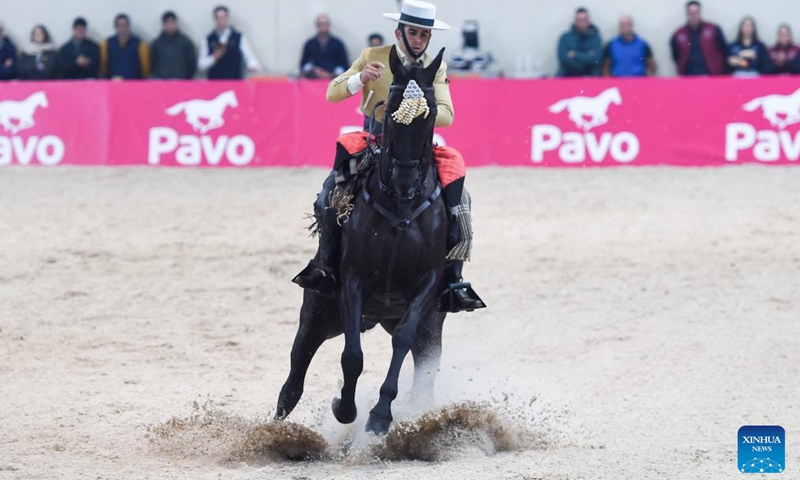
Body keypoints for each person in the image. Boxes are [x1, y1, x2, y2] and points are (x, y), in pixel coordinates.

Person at [292, 0, 484, 312]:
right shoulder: (373, 57)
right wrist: (359, 79)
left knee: (461, 199)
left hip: (417, 145)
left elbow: (447, 115)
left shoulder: (437, 66)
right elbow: (332, 93)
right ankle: (325, 265)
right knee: (329, 192)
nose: (419, 39)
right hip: (375, 138)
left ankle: (453, 280)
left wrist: (418, 109)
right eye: (414, 32)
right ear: (399, 32)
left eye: (424, 34)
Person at [198, 5, 261, 79]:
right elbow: (201, 65)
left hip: (234, 81)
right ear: (215, 20)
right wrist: (214, 57)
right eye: (218, 18)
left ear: (227, 18)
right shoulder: (208, 39)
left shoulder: (239, 37)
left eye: (223, 18)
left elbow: (249, 58)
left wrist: (253, 66)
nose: (221, 21)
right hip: (214, 82)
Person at [670, 1, 727, 76]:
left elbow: (724, 50)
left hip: (711, 75)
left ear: (700, 13)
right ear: (687, 14)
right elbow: (676, 56)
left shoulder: (713, 29)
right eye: (691, 13)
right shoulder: (678, 34)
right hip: (687, 76)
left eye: (696, 13)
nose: (693, 16)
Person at [100, 14, 150, 79]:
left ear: (129, 26)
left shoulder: (140, 44)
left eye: (125, 25)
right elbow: (103, 65)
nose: (122, 27)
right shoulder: (106, 43)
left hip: (134, 83)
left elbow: (145, 67)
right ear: (115, 27)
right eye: (120, 25)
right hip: (113, 83)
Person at [300, 14, 349, 79]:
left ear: (329, 25)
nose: (323, 26)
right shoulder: (310, 43)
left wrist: (332, 74)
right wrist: (314, 70)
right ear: (317, 25)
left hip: (334, 80)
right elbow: (304, 64)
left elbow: (344, 64)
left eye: (325, 23)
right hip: (314, 80)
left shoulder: (338, 43)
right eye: (321, 24)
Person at [556, 7, 602, 77]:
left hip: (590, 76)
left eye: (584, 20)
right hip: (568, 75)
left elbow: (597, 60)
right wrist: (587, 56)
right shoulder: (565, 38)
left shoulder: (595, 38)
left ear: (588, 20)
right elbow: (563, 60)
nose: (582, 23)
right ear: (575, 21)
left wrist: (575, 54)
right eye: (580, 20)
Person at [150, 11, 196, 79]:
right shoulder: (156, 43)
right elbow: (152, 62)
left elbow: (192, 63)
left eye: (172, 23)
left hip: (181, 81)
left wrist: (186, 78)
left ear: (176, 23)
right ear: (164, 24)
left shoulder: (185, 42)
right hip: (161, 81)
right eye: (168, 23)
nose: (170, 26)